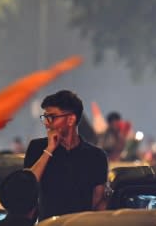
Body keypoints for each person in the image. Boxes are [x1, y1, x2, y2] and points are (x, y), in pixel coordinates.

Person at [24, 90, 108, 219]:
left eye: (51, 117)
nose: (46, 123)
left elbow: (97, 202)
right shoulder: (37, 148)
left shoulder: (96, 156)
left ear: (71, 119)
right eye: (44, 117)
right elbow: (27, 187)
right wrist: (49, 149)